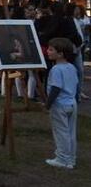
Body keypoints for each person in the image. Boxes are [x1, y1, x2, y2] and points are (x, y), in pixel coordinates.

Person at [44, 37, 78, 169]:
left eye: (51, 49)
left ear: (60, 53)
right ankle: (71, 159)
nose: (48, 51)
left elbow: (56, 89)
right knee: (70, 132)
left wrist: (48, 105)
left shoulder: (57, 69)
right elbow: (76, 85)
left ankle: (62, 159)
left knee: (61, 132)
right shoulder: (71, 67)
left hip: (60, 105)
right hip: (71, 103)